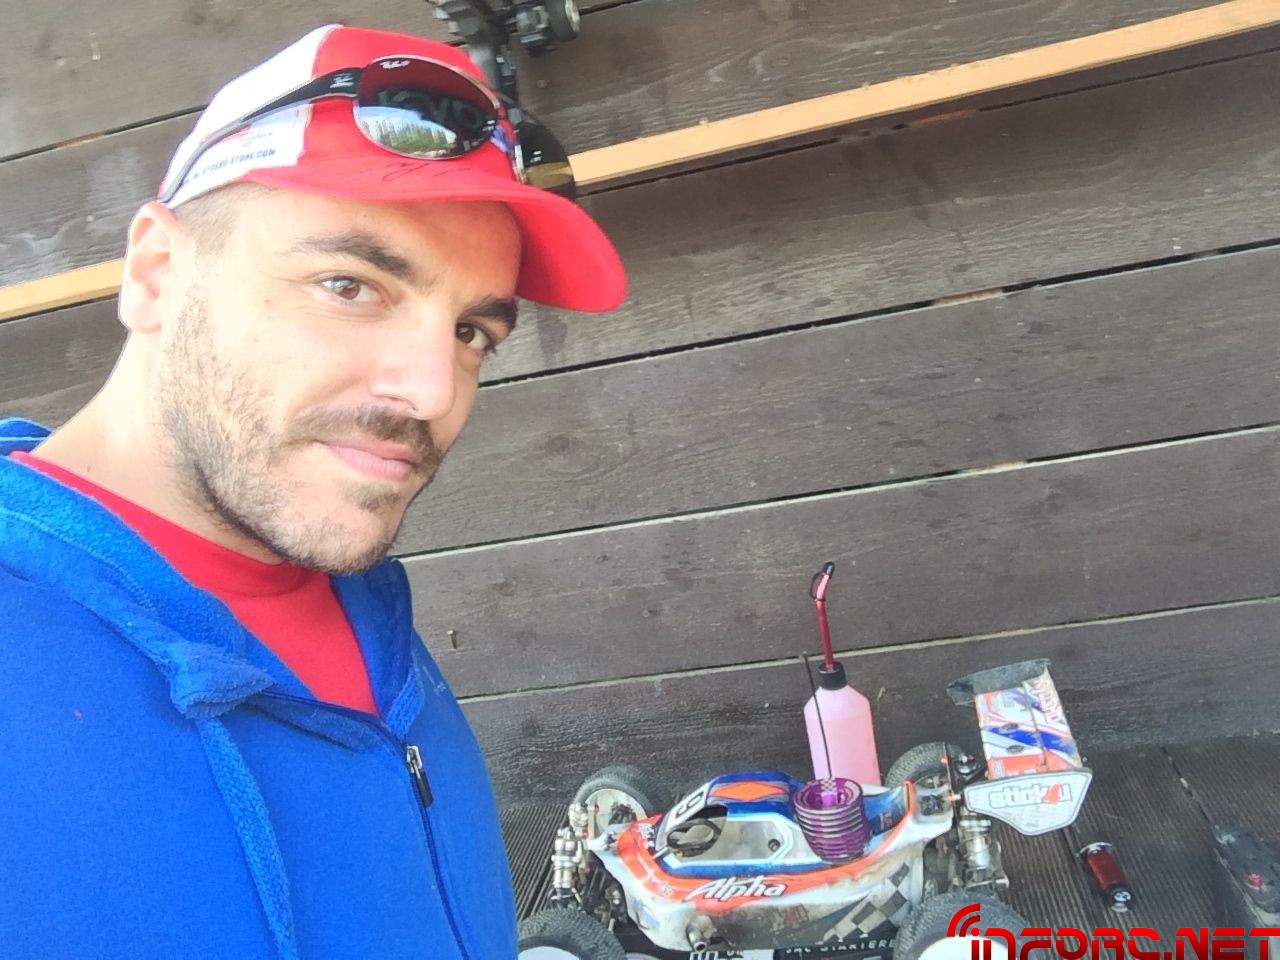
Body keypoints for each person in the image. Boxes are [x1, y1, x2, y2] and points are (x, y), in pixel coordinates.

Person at [0, 23, 625, 960]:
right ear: (157, 273)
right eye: (350, 285)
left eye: (471, 333)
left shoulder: (359, 599)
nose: (432, 393)